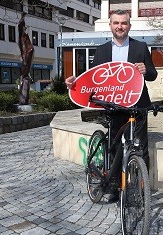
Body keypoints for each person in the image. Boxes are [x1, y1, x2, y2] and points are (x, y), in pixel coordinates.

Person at [65, 9, 157, 202]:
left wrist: (145, 70)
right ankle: (114, 187)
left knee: (141, 149)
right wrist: (75, 83)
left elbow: (153, 75)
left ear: (129, 26)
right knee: (114, 146)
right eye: (116, 23)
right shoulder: (102, 50)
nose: (120, 26)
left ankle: (141, 191)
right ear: (110, 26)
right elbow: (94, 79)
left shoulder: (140, 47)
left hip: (137, 106)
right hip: (113, 107)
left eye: (123, 23)